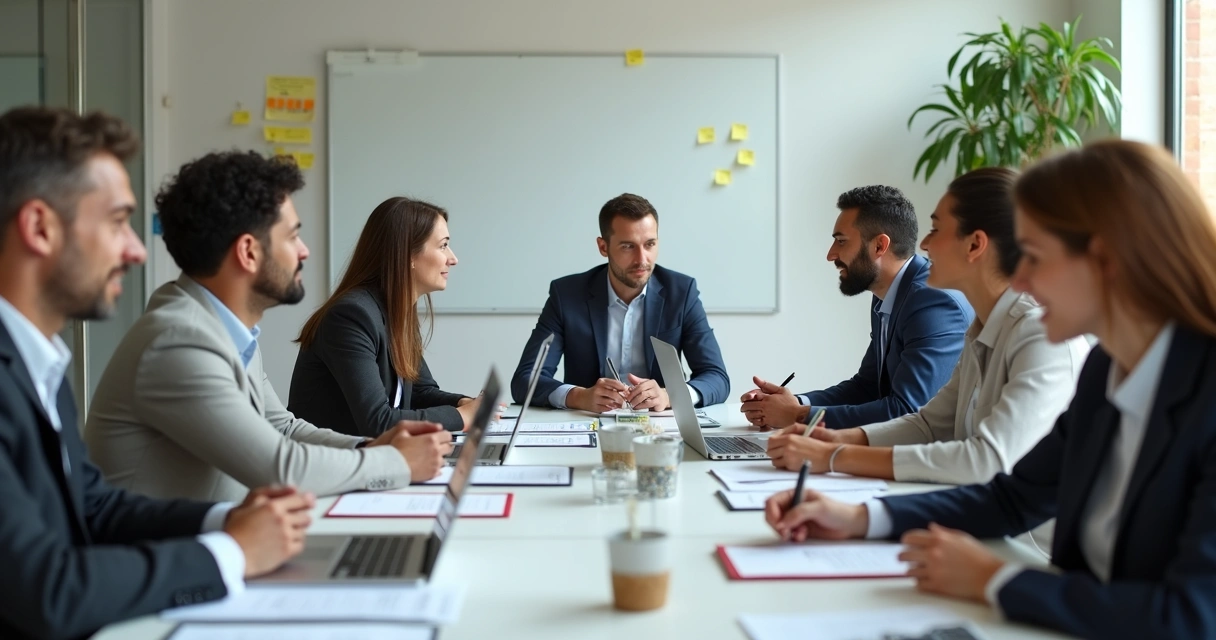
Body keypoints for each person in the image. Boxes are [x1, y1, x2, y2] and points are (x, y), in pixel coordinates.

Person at [764, 140, 1216, 638]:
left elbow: (1192, 616)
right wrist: (856, 518)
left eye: (1035, 256)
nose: (1019, 277)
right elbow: (1013, 498)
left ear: (1104, 260)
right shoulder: (1108, 369)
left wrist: (996, 580)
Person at [0, 106, 315, 639]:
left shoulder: (39, 359)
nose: (137, 249)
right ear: (39, 227)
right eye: (118, 221)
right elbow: (48, 589)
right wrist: (230, 552)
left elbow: (93, 510)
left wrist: (224, 522)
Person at [85, 151, 451, 503]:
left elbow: (285, 428)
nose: (304, 251)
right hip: (171, 554)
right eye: (292, 237)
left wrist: (374, 446)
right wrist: (398, 461)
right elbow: (279, 466)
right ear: (248, 252)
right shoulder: (179, 342)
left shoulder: (224, 331)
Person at [767, 168, 1089, 483]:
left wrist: (832, 453)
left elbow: (985, 459)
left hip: (1021, 535)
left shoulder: (1039, 334)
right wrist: (830, 440)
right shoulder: (982, 327)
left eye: (936, 230)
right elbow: (928, 426)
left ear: (975, 245)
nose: (923, 245)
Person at [742, 185, 974, 430]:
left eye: (841, 241)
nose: (831, 255)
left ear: (879, 246)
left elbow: (907, 411)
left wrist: (799, 415)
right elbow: (867, 386)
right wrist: (792, 403)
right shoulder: (889, 294)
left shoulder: (933, 301)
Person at [512, 193, 729, 412]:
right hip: (590, 425)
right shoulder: (567, 295)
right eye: (628, 246)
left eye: (650, 244)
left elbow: (717, 378)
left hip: (658, 428)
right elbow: (525, 379)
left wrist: (670, 395)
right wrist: (578, 396)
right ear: (603, 247)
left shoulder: (681, 292)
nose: (642, 259)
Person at [289, 197, 482, 436]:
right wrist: (461, 418)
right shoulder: (350, 317)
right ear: (408, 254)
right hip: (327, 464)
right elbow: (377, 421)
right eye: (443, 246)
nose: (452, 258)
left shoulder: (396, 309)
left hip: (371, 458)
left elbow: (420, 392)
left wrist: (464, 404)